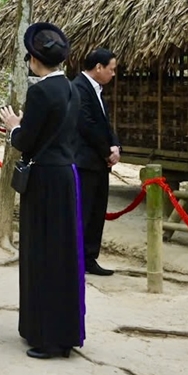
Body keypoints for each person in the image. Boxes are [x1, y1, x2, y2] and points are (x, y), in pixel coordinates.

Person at [0, 22, 83, 360]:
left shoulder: (39, 92)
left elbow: (26, 141)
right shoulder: (73, 89)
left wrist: (13, 127)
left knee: (40, 253)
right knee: (64, 255)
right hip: (66, 176)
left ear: (34, 59)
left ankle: (44, 335)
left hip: (44, 180)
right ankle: (64, 333)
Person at [73, 47, 120, 277]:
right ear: (98, 67)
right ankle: (76, 259)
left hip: (99, 162)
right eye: (111, 69)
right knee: (84, 211)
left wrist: (116, 146)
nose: (113, 74)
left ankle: (90, 257)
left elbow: (105, 123)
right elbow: (87, 125)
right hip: (85, 161)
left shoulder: (98, 91)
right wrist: (106, 152)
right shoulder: (79, 88)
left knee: (96, 212)